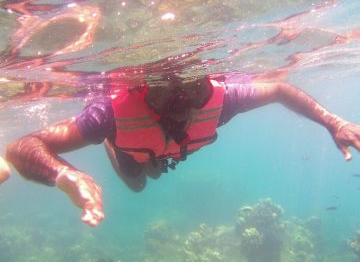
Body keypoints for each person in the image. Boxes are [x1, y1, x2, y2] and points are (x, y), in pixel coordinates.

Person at [1, 74, 360, 227]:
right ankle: (118, 148)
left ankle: (148, 156)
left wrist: (332, 120)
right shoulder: (109, 114)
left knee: (155, 170)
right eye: (168, 93)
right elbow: (21, 146)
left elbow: (280, 89)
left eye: (194, 91)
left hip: (162, 148)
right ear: (145, 90)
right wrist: (66, 175)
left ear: (208, 83)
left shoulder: (224, 100)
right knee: (139, 182)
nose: (182, 102)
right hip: (131, 144)